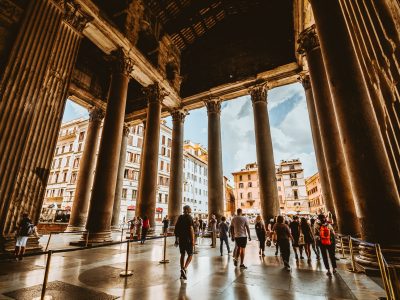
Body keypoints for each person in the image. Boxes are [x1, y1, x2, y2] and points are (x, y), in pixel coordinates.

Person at [174, 205, 195, 280]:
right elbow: (191, 229)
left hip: (181, 239)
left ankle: (182, 269)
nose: (190, 209)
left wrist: (176, 240)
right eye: (190, 208)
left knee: (182, 254)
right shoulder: (189, 217)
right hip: (188, 239)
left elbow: (176, 229)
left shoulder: (180, 217)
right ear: (187, 209)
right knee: (190, 254)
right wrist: (193, 240)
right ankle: (184, 268)